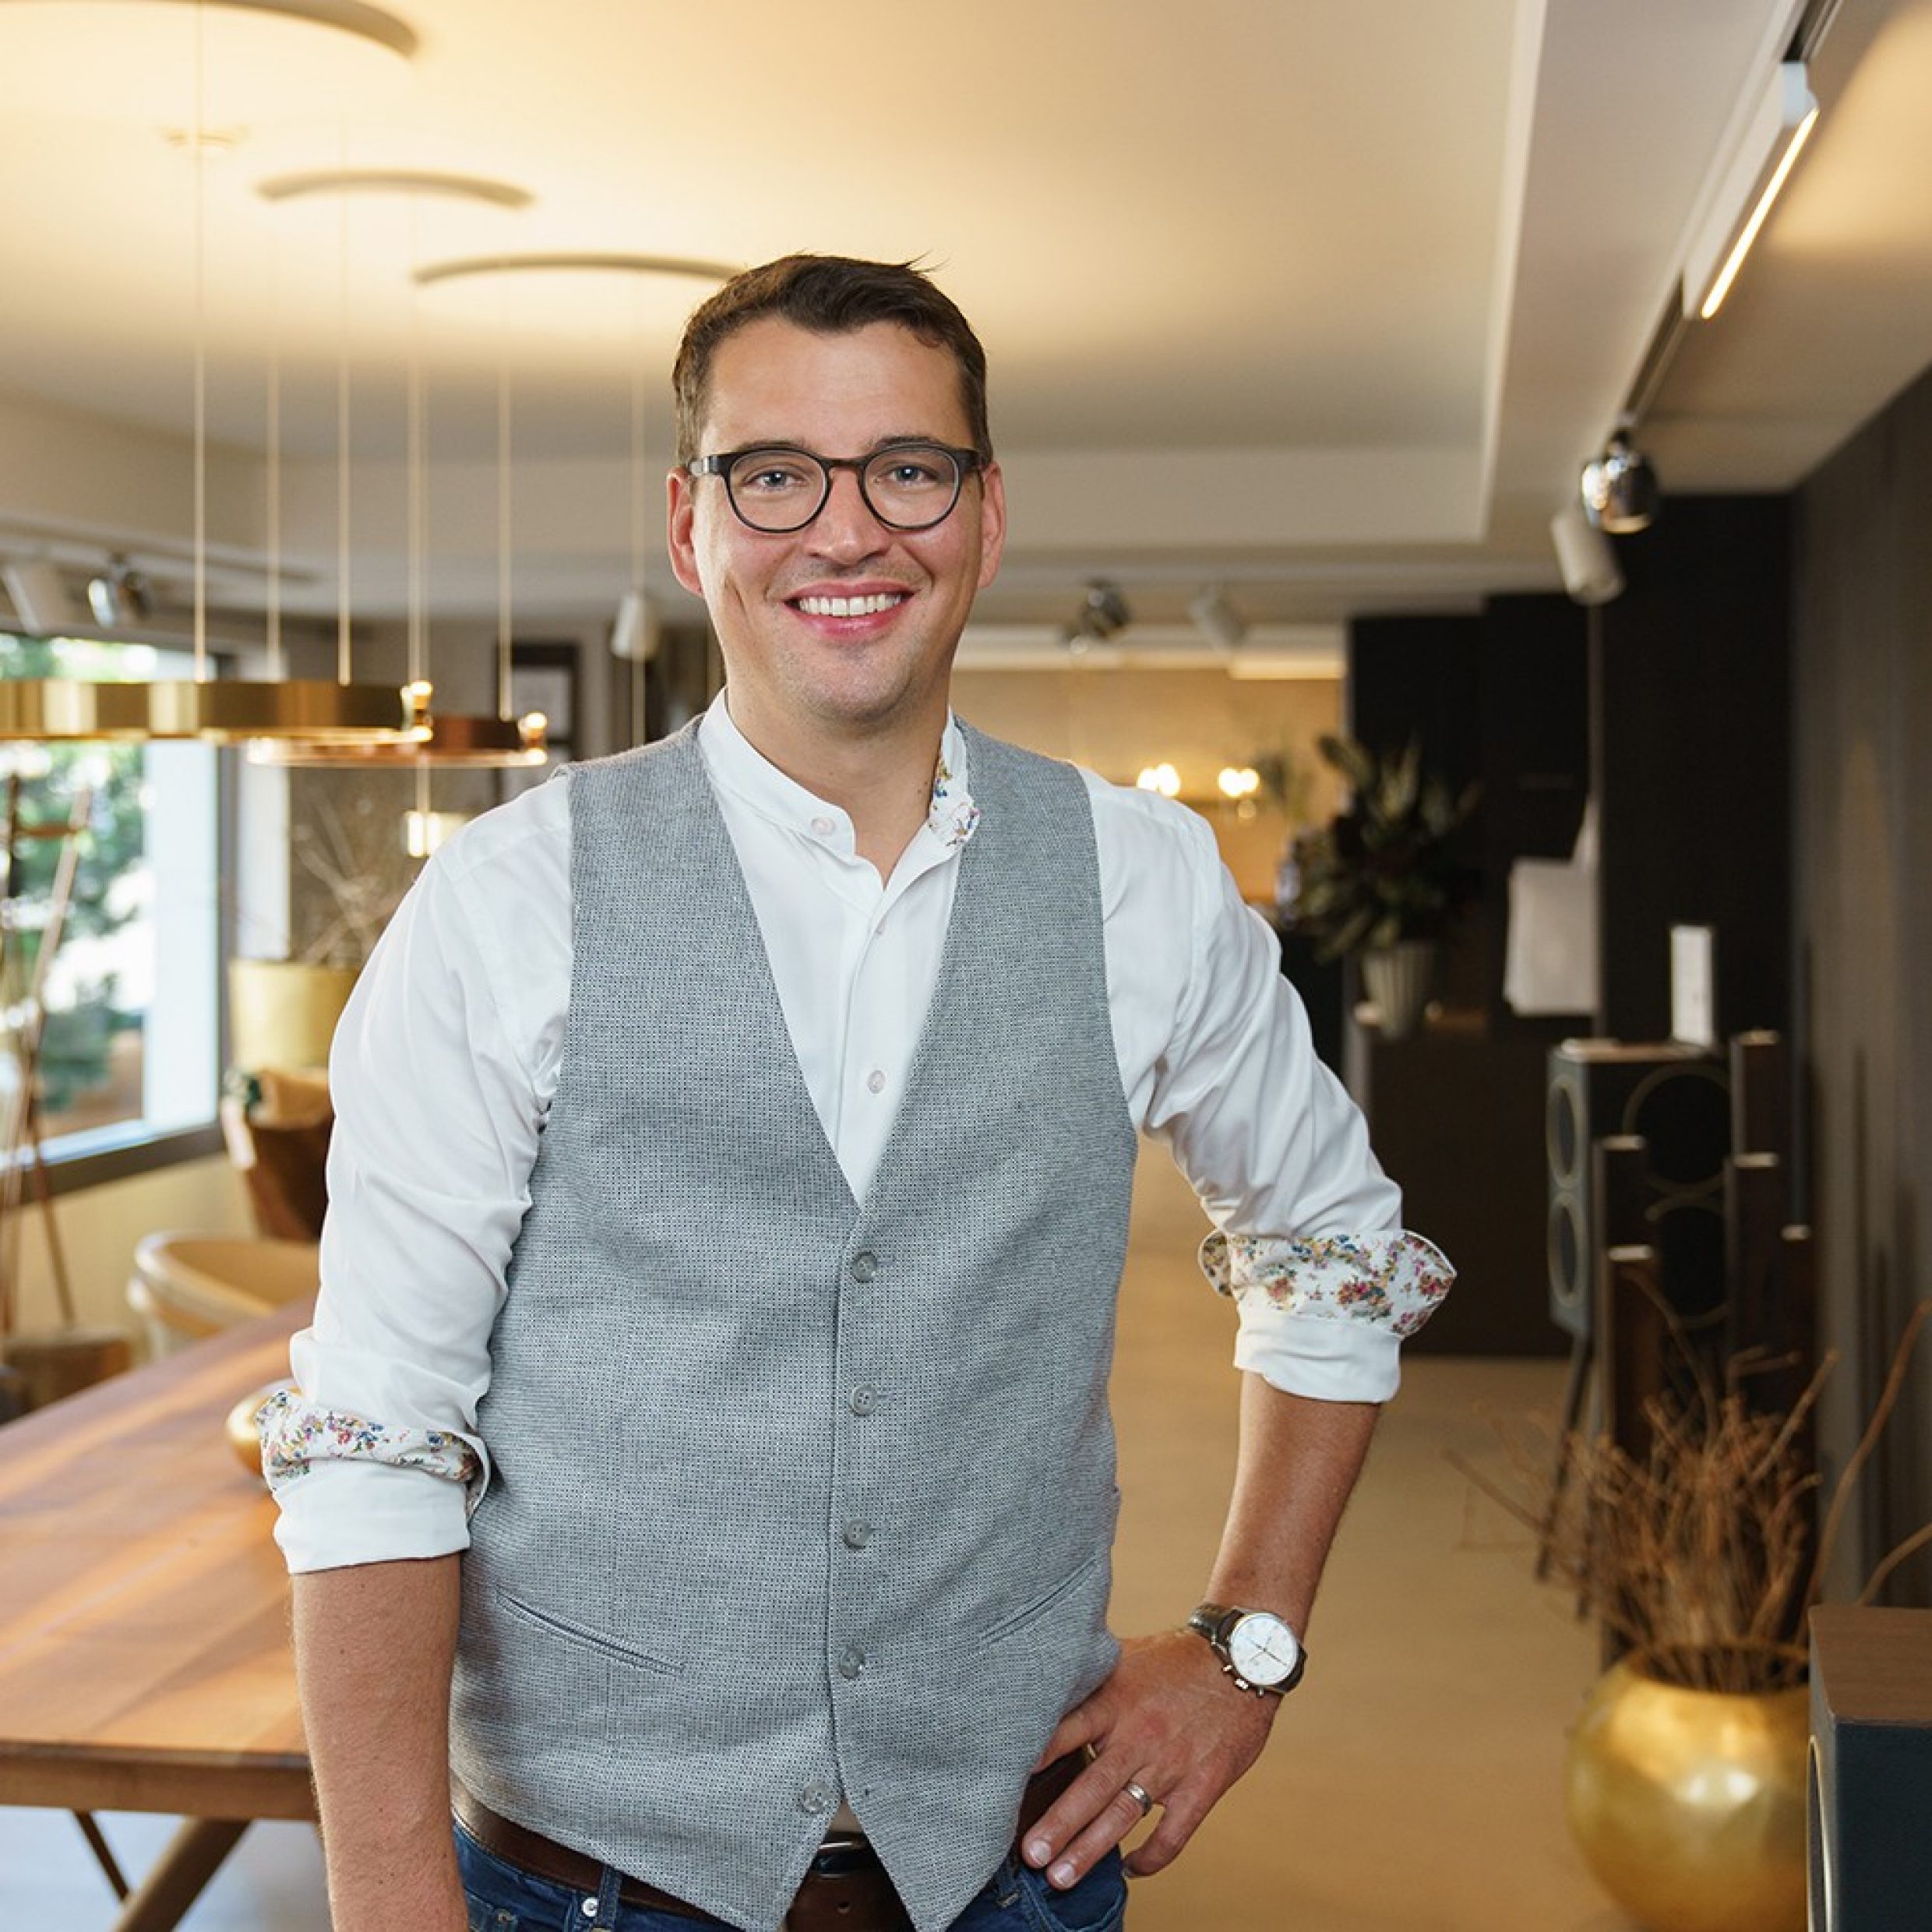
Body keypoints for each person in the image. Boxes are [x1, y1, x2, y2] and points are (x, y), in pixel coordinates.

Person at [264, 253, 1453, 1932]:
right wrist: (390, 1906)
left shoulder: (1138, 881)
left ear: (982, 514)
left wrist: (1246, 1651)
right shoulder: (509, 901)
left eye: (907, 468)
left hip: (1011, 1875)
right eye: (775, 475)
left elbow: (1332, 1245)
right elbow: (377, 1431)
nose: (846, 530)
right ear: (692, 527)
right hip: (585, 1889)